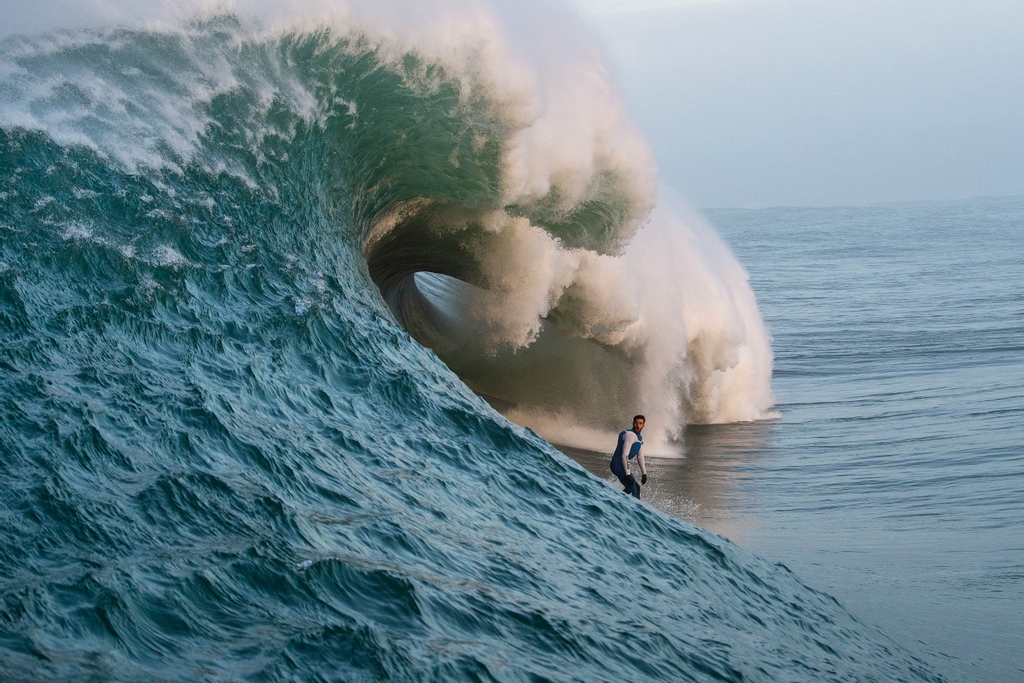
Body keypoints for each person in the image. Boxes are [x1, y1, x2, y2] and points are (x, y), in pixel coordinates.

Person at [610, 415, 648, 498]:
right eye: (636, 423)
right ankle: (635, 509)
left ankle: (612, 499)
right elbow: (624, 455)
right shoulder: (630, 435)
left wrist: (644, 473)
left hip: (621, 465)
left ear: (643, 425)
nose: (638, 426)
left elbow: (640, 455)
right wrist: (628, 475)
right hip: (618, 465)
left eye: (640, 423)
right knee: (635, 489)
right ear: (633, 423)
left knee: (630, 489)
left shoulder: (639, 437)